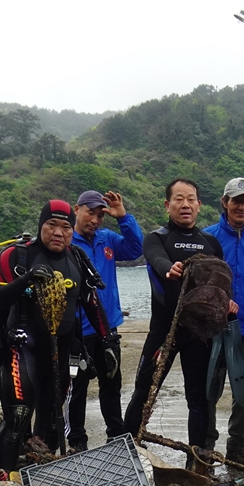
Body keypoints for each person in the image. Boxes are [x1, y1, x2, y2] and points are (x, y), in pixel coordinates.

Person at [0, 200, 104, 481]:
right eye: (51, 225)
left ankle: (42, 480)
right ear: (41, 226)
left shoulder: (76, 259)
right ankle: (7, 480)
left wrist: (107, 342)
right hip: (22, 349)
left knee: (53, 422)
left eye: (65, 226)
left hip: (59, 353)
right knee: (17, 419)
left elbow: (91, 304)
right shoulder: (17, 257)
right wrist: (26, 280)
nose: (58, 232)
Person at [122, 179, 230, 464]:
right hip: (163, 330)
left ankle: (197, 461)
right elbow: (156, 259)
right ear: (167, 204)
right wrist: (169, 267)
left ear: (199, 205)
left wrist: (228, 303)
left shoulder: (211, 243)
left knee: (198, 398)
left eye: (191, 199)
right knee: (144, 391)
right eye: (179, 199)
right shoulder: (156, 238)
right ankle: (127, 454)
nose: (185, 204)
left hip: (198, 334)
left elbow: (219, 283)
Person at [65, 190, 143, 450]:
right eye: (90, 213)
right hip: (77, 333)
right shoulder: (66, 242)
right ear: (77, 209)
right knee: (77, 390)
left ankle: (116, 434)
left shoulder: (107, 239)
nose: (95, 220)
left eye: (100, 215)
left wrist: (123, 218)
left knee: (112, 385)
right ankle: (76, 440)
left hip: (108, 330)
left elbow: (135, 249)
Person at [203, 177, 244, 467]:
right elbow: (200, 283)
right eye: (236, 200)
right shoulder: (208, 237)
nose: (241, 206)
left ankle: (238, 445)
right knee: (208, 387)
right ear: (224, 202)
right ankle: (205, 444)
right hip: (213, 327)